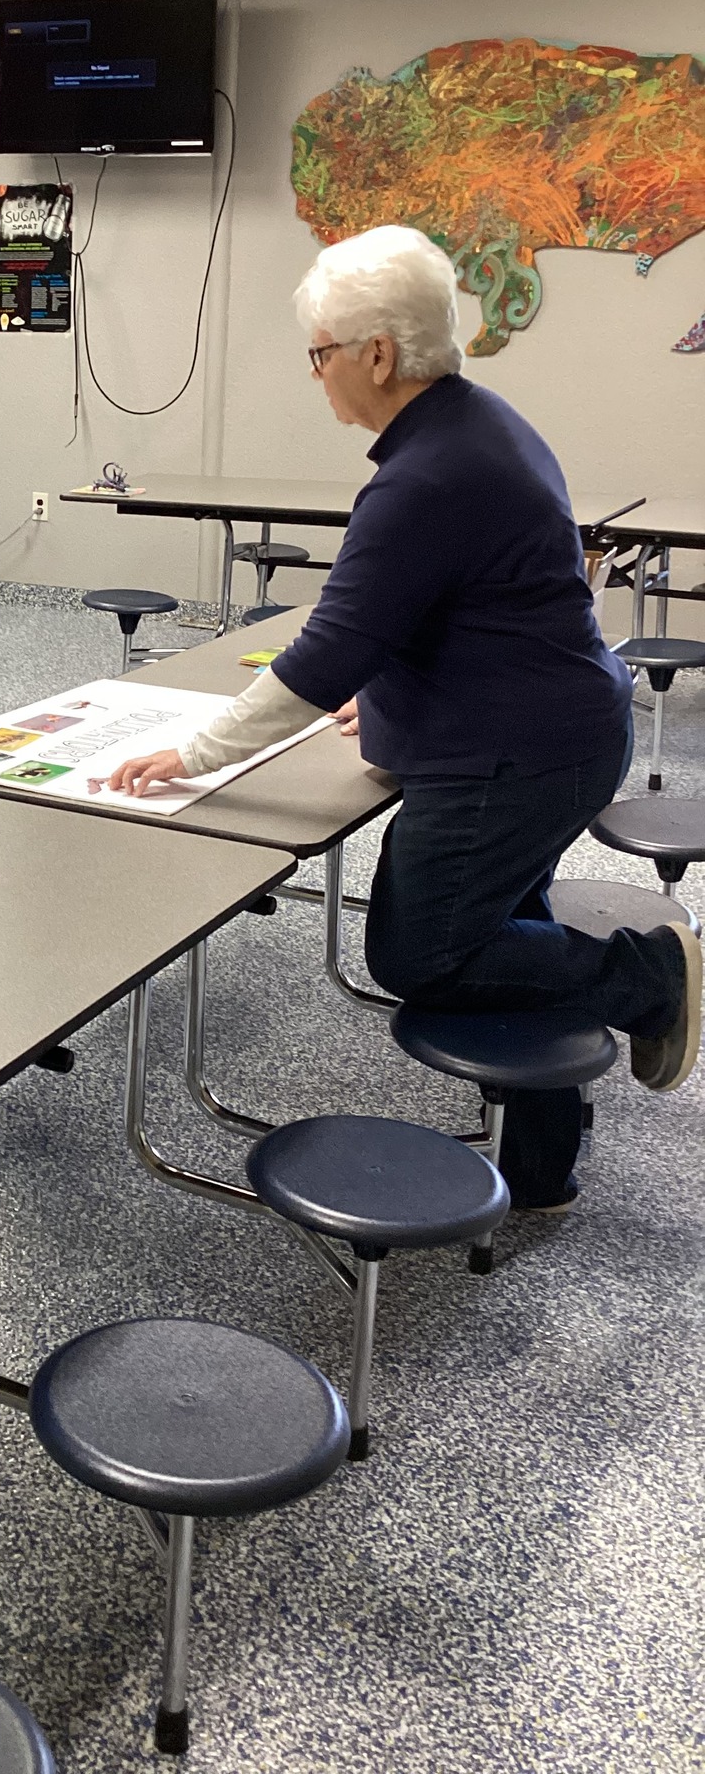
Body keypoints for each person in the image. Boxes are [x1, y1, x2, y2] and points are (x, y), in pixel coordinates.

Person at [109, 224, 701, 1212]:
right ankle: (542, 1160)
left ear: (376, 353)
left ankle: (652, 977)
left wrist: (195, 753)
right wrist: (390, 692)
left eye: (320, 353)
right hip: (559, 731)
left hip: (516, 756)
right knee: (509, 921)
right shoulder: (477, 425)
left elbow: (330, 647)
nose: (318, 376)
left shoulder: (425, 476)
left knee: (422, 952)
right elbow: (445, 613)